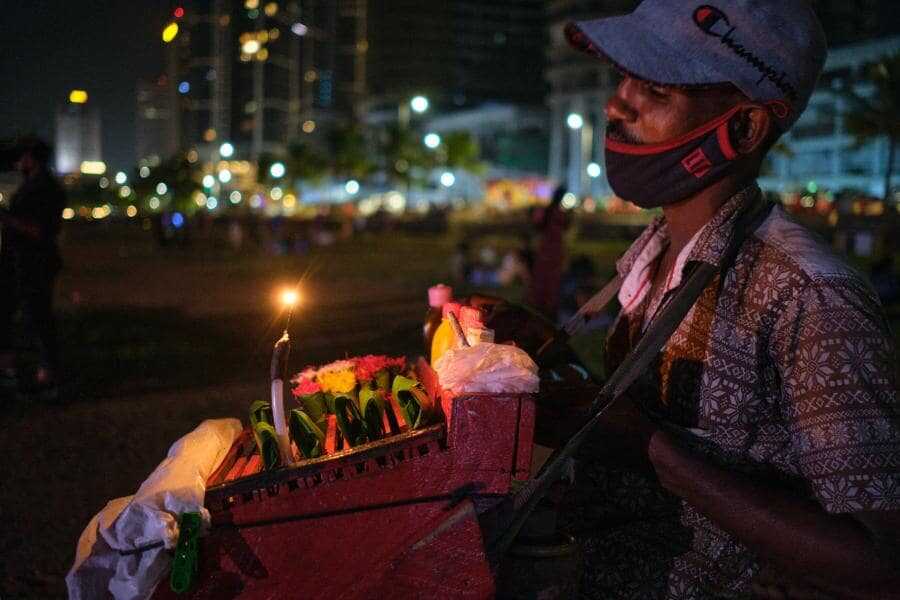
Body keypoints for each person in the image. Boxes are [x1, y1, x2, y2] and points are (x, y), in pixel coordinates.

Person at [550, 2, 900, 598]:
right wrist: (529, 357)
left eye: (654, 89)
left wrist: (657, 453)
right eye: (623, 78)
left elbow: (880, 562)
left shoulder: (809, 297)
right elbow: (631, 420)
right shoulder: (659, 254)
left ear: (743, 128)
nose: (615, 104)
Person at [0, 137, 66, 395]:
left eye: (22, 156)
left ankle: (47, 372)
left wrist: (6, 218)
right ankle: (19, 369)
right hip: (21, 262)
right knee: (16, 314)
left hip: (33, 263)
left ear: (32, 158)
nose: (18, 162)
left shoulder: (45, 189)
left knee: (38, 317)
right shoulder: (34, 185)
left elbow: (40, 230)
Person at [529, 185, 570, 319]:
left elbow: (536, 226)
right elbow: (566, 228)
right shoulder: (560, 213)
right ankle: (548, 307)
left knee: (542, 278)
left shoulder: (546, 211)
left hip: (546, 249)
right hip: (554, 250)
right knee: (552, 280)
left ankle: (539, 305)